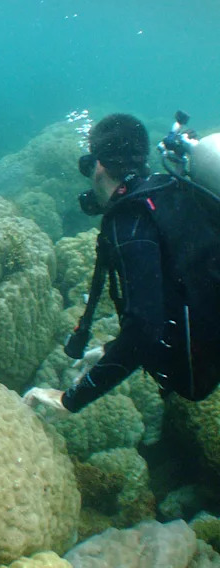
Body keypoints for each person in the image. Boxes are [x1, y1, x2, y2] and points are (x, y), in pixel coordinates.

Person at [23, 113, 220, 413]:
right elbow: (179, 290)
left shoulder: (130, 219)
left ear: (100, 166)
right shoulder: (171, 190)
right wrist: (111, 349)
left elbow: (145, 328)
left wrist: (69, 400)